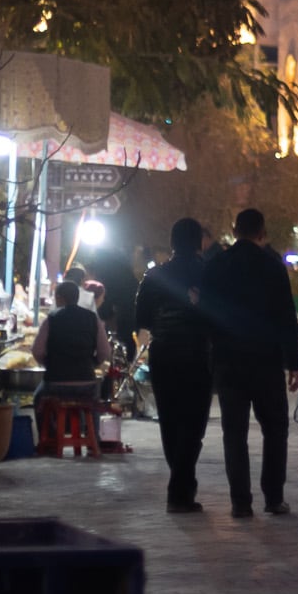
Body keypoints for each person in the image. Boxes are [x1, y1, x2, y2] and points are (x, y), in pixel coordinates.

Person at [199, 208, 298, 519]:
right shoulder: (272, 266)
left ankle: (240, 503)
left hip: (229, 361)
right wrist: (293, 363)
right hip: (266, 361)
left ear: (235, 230)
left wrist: (211, 355)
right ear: (262, 232)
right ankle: (274, 497)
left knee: (234, 432)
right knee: (275, 429)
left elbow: (205, 313)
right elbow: (287, 317)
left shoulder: (216, 265)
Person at [133, 218, 216, 514]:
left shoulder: (155, 276)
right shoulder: (210, 273)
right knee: (193, 425)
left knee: (170, 421)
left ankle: (180, 486)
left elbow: (140, 317)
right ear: (199, 242)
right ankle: (180, 490)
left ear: (172, 242)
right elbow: (220, 315)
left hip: (164, 353)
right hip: (198, 355)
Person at [33, 277, 112, 400]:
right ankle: (94, 420)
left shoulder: (51, 319)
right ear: (77, 297)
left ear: (59, 297)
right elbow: (105, 351)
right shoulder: (93, 318)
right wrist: (93, 363)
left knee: (38, 398)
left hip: (55, 383)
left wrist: (49, 364)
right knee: (93, 406)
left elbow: (37, 351)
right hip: (86, 382)